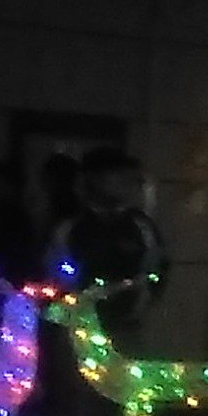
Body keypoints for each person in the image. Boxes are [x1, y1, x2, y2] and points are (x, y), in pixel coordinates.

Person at [54, 148, 167, 346]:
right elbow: (57, 273)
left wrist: (139, 299)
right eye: (117, 177)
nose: (126, 185)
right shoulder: (71, 228)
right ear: (93, 179)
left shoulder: (142, 227)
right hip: (79, 332)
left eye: (128, 179)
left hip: (126, 329)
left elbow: (156, 269)